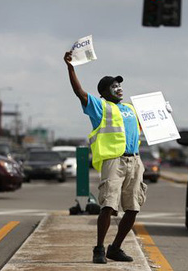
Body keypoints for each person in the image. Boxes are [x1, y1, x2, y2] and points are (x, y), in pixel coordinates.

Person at [63, 50, 147, 264]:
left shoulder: (129, 108)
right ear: (104, 92)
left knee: (133, 208)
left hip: (134, 161)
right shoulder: (100, 107)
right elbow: (79, 92)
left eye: (119, 86)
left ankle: (115, 248)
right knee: (108, 206)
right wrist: (70, 68)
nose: (119, 89)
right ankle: (99, 248)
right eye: (113, 86)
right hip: (113, 161)